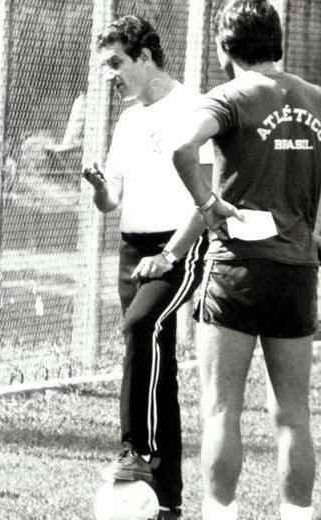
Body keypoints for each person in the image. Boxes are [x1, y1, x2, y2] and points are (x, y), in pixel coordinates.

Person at [167, 2, 321, 519]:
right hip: (298, 272)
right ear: (278, 42)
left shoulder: (228, 96)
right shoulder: (317, 101)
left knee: (221, 409)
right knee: (295, 415)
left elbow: (182, 149)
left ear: (222, 47)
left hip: (235, 269)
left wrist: (209, 205)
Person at [83, 15, 209, 520]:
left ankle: (136, 452)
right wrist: (97, 186)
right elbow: (111, 200)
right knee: (156, 363)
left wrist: (172, 254)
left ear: (145, 57)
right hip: (132, 250)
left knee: (141, 329)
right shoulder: (128, 119)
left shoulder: (192, 108)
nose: (110, 74)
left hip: (178, 247)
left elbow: (209, 199)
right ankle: (169, 500)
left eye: (116, 63)